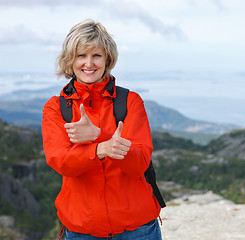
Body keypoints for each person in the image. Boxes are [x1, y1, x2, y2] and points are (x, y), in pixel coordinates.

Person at [42, 19, 162, 240]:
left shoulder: (130, 102)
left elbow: (139, 164)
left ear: (107, 60)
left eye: (96, 55)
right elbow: (60, 162)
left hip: (138, 228)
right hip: (83, 230)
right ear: (70, 60)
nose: (89, 63)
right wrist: (100, 149)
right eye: (81, 56)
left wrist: (99, 135)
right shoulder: (55, 108)